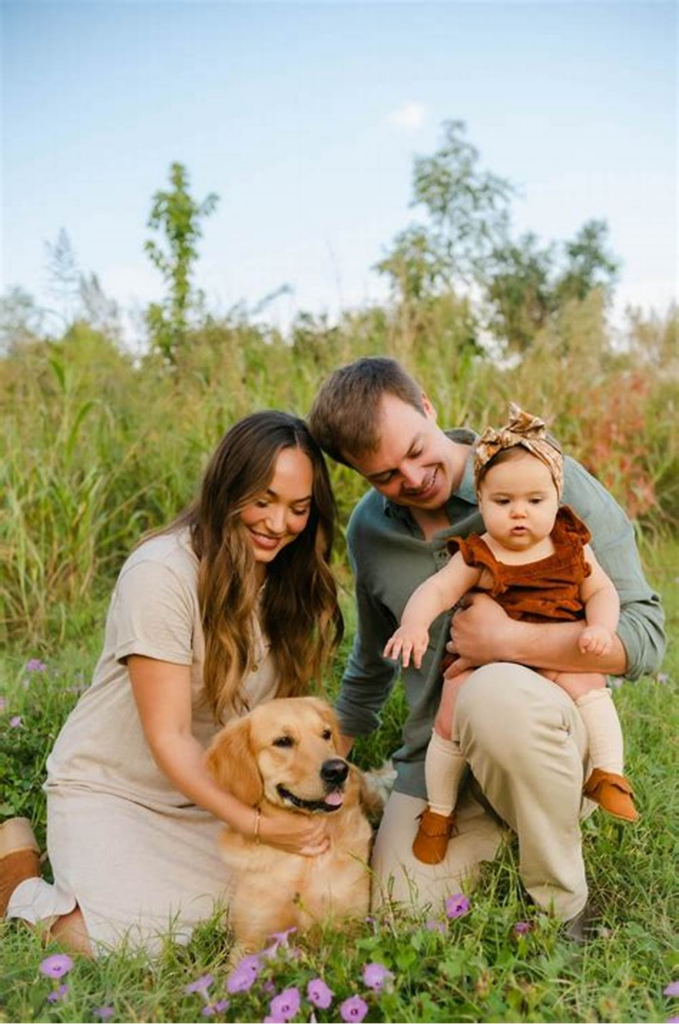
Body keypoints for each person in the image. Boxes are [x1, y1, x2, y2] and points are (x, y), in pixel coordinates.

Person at [308, 357, 664, 934]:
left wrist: (510, 640)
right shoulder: (368, 533)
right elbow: (371, 665)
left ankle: (563, 908)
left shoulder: (540, 481)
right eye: (385, 475)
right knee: (402, 916)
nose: (414, 478)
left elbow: (646, 638)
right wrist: (321, 767)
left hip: (543, 732)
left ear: (428, 407)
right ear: (357, 473)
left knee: (494, 693)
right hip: (440, 759)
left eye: (417, 450)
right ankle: (502, 831)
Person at [0, 411, 343, 955]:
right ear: (227, 488)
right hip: (120, 789)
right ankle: (15, 875)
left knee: (248, 915)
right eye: (263, 501)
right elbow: (169, 738)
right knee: (136, 942)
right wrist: (257, 826)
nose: (279, 524)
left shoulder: (287, 578)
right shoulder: (162, 573)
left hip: (215, 794)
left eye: (298, 509)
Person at [384, 403, 638, 867]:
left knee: (590, 686)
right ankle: (439, 813)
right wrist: (414, 623)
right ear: (480, 502)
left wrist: (600, 627)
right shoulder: (479, 553)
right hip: (482, 665)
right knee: (450, 712)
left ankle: (608, 773)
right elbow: (437, 589)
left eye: (534, 502)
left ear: (556, 498)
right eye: (503, 503)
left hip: (555, 654)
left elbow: (600, 589)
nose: (519, 514)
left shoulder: (570, 543)